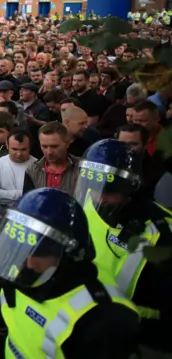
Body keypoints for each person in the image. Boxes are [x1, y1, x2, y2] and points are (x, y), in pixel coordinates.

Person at [0, 187, 140, 358]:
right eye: (23, 250)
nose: (28, 263)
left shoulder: (106, 321)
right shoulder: (16, 276)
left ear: (68, 255)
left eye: (41, 252)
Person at [74, 139, 172, 357]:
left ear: (132, 186)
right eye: (93, 188)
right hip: (86, 327)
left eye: (109, 191)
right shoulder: (87, 203)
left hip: (143, 341)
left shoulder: (161, 233)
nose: (99, 197)